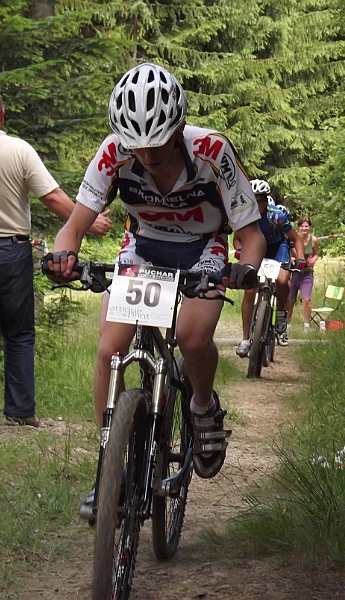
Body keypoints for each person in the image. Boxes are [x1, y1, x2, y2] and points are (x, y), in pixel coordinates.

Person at [45, 62, 266, 512]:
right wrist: (62, 256)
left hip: (203, 248)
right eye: (136, 146)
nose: (146, 156)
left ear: (179, 128)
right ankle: (110, 472)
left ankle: (202, 408)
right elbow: (74, 227)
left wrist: (246, 267)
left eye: (158, 144)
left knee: (193, 337)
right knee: (110, 349)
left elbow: (252, 234)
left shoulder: (212, 149)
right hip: (143, 247)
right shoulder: (113, 152)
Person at [0, 87, 112, 428]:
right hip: (11, 250)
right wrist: (89, 223)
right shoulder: (19, 150)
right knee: (18, 332)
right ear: (2, 114)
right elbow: (52, 197)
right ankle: (19, 409)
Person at [234, 180, 304, 354]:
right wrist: (240, 250)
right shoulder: (244, 214)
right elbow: (237, 239)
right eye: (254, 200)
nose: (257, 204)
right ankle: (245, 339)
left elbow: (296, 238)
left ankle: (280, 315)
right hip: (255, 247)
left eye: (261, 200)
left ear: (266, 200)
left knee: (282, 280)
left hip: (278, 247)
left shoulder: (277, 216)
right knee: (249, 289)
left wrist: (301, 258)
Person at [286, 216, 319, 332]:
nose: (304, 228)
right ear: (298, 227)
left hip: (307, 273)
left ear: (310, 227)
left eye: (306, 226)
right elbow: (286, 252)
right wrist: (290, 258)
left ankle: (306, 326)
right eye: (302, 226)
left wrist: (314, 259)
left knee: (306, 299)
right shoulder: (293, 238)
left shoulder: (313, 240)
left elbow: (316, 254)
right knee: (290, 300)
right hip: (293, 273)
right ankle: (287, 324)